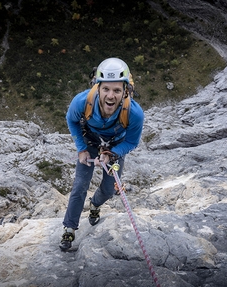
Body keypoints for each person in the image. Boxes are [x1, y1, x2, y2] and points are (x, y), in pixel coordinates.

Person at [59, 57, 144, 251]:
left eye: (116, 90)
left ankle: (95, 204)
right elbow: (71, 120)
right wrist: (81, 148)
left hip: (115, 147)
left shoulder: (134, 113)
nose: (111, 96)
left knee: (108, 190)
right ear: (98, 88)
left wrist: (112, 153)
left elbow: (132, 142)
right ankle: (69, 228)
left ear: (125, 91)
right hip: (90, 143)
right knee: (80, 185)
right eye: (106, 89)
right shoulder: (82, 101)